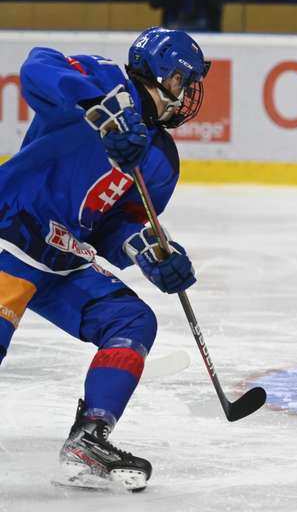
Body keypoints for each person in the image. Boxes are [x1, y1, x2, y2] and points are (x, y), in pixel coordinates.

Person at [0, 27, 210, 490]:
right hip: (9, 232)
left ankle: (90, 439)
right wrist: (98, 109)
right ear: (160, 73)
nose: (187, 94)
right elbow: (37, 66)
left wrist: (151, 252)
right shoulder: (105, 79)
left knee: (133, 322)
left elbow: (118, 227)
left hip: (60, 256)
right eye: (183, 80)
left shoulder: (161, 159)